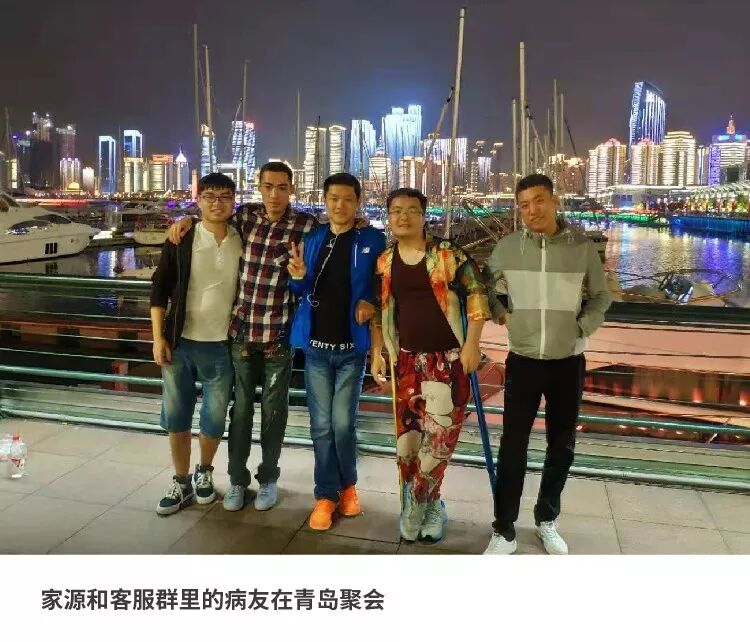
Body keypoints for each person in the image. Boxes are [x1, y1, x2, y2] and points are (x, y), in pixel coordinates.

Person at [168, 162, 315, 512]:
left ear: (291, 189)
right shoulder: (247, 217)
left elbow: (337, 234)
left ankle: (268, 478)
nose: (274, 194)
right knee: (242, 410)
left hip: (279, 335)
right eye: (268, 187)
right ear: (259, 187)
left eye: (282, 187)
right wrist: (185, 219)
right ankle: (237, 479)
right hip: (242, 334)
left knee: (274, 412)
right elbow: (212, 214)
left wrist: (360, 224)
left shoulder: (306, 225)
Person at [483, 173, 611, 555]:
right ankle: (503, 529)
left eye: (539, 200)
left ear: (554, 201)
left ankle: (546, 519)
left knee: (561, 446)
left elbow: (601, 296)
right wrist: (500, 313)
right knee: (513, 448)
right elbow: (482, 286)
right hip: (523, 360)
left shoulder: (581, 247)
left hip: (567, 362)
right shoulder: (508, 248)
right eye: (524, 205)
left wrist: (581, 328)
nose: (532, 210)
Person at [370, 188, 490, 543]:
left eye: (411, 210)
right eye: (396, 210)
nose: (403, 216)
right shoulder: (385, 260)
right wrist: (379, 352)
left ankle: (417, 505)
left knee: (439, 441)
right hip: (406, 359)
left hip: (448, 360)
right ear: (389, 217)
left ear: (424, 215)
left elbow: (477, 293)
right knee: (408, 442)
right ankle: (432, 504)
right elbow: (380, 310)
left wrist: (472, 345)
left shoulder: (447, 254)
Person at [287, 173, 386, 530]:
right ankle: (326, 495)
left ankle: (348, 487)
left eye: (347, 199)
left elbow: (382, 282)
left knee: (343, 425)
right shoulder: (314, 238)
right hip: (316, 347)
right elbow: (301, 289)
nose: (340, 205)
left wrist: (370, 300)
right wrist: (297, 276)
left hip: (351, 349)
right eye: (333, 198)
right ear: (325, 200)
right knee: (321, 426)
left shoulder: (372, 239)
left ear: (358, 202)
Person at [151, 172, 242, 515]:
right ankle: (180, 480)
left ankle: (204, 471)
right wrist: (158, 338)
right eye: (210, 196)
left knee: (214, 416)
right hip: (180, 342)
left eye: (225, 196)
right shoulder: (183, 238)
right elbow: (159, 289)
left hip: (221, 344)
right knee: (177, 415)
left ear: (234, 201)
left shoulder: (242, 237)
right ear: (199, 199)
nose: (217, 203)